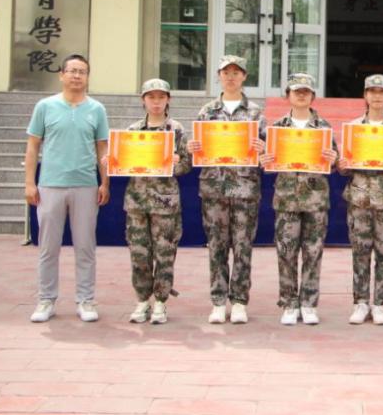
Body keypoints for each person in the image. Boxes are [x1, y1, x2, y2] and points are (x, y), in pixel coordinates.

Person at [25, 54, 110, 323]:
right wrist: (30, 182)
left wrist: (105, 182)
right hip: (50, 184)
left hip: (86, 185)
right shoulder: (45, 107)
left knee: (85, 247)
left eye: (82, 71)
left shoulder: (97, 109)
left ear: (87, 77)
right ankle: (46, 300)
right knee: (48, 247)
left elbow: (103, 149)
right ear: (61, 75)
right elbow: (33, 146)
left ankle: (86, 300)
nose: (76, 76)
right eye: (72, 71)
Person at [186, 55, 266, 325]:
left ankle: (240, 302)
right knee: (217, 247)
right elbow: (196, 147)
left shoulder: (255, 113)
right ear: (219, 76)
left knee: (243, 247)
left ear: (244, 76)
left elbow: (269, 153)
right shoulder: (207, 111)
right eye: (226, 72)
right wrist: (192, 147)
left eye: (236, 72)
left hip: (245, 189)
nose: (231, 77)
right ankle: (219, 301)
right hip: (215, 189)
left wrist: (263, 148)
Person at [260, 73, 338, 326]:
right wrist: (264, 160)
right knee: (286, 252)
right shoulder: (277, 129)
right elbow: (267, 162)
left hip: (316, 199)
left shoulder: (324, 127)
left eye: (306, 91)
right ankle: (289, 303)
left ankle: (309, 303)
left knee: (313, 252)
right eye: (297, 91)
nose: (301, 95)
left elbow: (335, 161)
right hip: (287, 199)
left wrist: (333, 158)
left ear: (313, 96)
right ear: (288, 96)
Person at [337, 74, 383, 326]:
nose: (377, 96)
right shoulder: (353, 128)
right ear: (365, 95)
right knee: (360, 253)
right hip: (359, 199)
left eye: (382, 92)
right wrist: (342, 165)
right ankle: (360, 302)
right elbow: (343, 166)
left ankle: (379, 303)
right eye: (372, 91)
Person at [122, 79, 191, 325]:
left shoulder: (177, 130)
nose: (156, 102)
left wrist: (175, 163)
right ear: (143, 100)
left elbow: (186, 165)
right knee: (139, 253)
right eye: (151, 97)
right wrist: (114, 160)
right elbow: (124, 164)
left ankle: (161, 301)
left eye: (161, 97)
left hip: (165, 204)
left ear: (168, 99)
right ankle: (142, 300)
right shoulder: (133, 131)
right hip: (137, 202)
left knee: (165, 253)